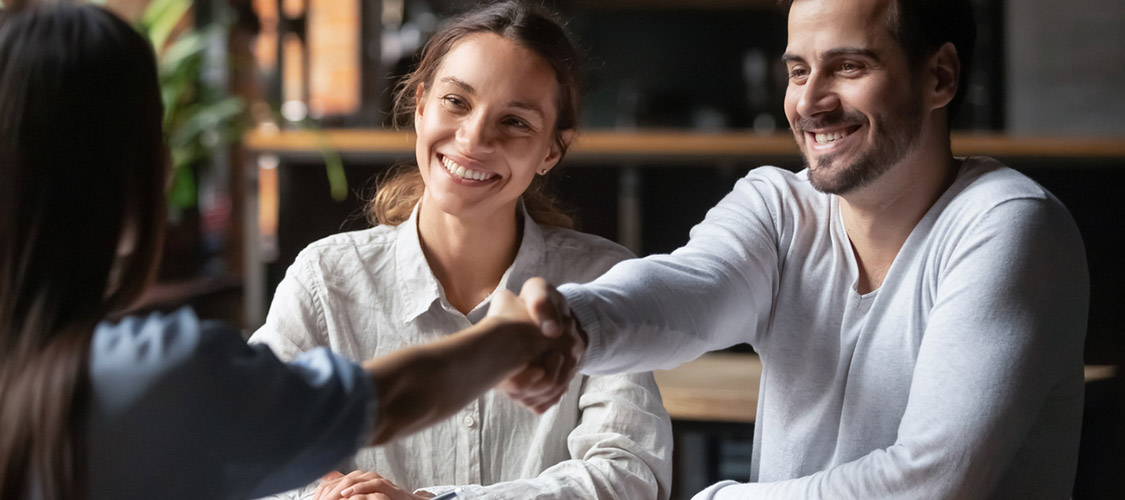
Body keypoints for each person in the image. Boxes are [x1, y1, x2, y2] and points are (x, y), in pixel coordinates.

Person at [510, 0, 1090, 498]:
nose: (810, 103)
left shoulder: (1008, 224)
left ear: (939, 76)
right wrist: (573, 322)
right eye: (797, 71)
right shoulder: (779, 205)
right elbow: (689, 288)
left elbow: (932, 481)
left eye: (849, 66)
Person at [0, 3, 572, 499]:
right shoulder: (153, 375)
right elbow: (385, 400)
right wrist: (513, 336)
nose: (475, 138)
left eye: (516, 121)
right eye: (159, 136)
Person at [248, 2, 672, 500]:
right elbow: (252, 454)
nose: (474, 139)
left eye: (515, 122)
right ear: (421, 105)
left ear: (551, 151)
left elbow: (629, 473)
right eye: (456, 102)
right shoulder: (325, 280)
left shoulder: (602, 279)